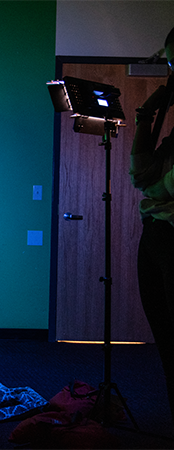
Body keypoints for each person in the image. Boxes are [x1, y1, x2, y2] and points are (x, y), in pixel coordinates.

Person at [130, 26, 174, 429]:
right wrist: (148, 113)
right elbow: (141, 173)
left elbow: (160, 182)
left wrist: (158, 186)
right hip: (157, 235)